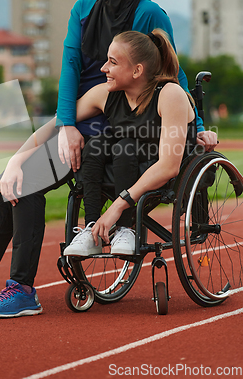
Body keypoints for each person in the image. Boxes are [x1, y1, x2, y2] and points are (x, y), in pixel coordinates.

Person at [0, 0, 217, 319]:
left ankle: (20, 290)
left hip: (124, 125)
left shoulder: (151, 15)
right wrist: (65, 126)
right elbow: (70, 71)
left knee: (24, 182)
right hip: (82, 116)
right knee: (11, 180)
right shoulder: (81, 9)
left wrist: (195, 125)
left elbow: (168, 75)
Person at [63, 28, 197, 257]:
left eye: (112, 62)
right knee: (96, 145)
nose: (103, 68)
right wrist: (20, 158)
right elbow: (64, 115)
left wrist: (117, 207)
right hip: (125, 158)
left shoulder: (170, 94)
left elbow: (169, 166)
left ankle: (126, 228)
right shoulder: (105, 94)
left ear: (137, 70)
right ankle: (91, 228)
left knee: (125, 147)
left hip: (158, 166)